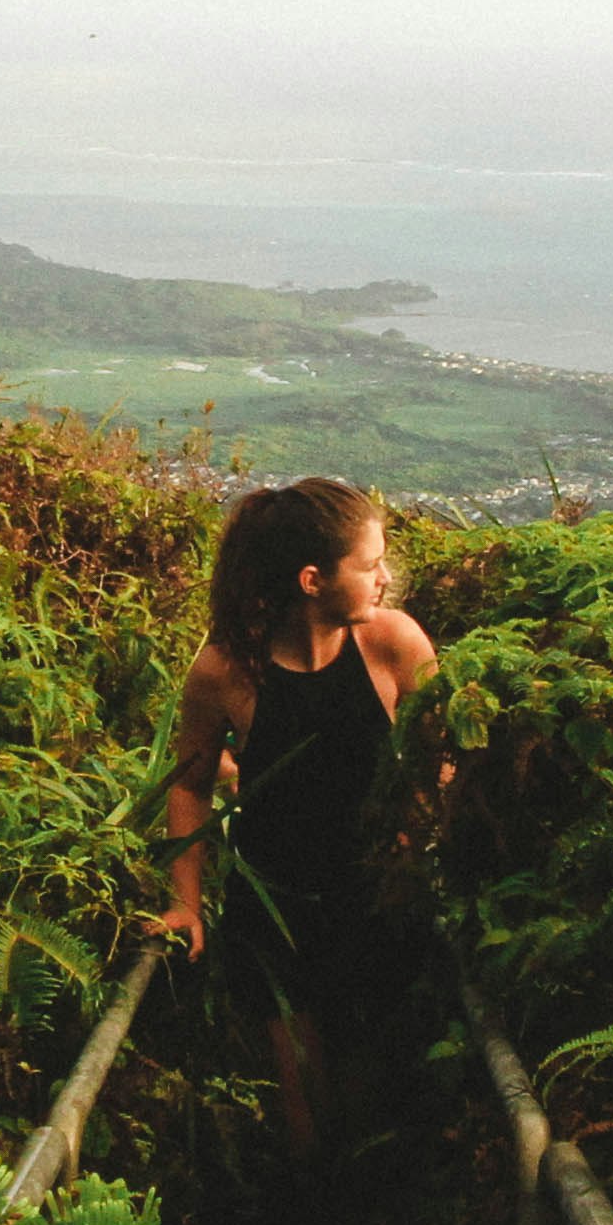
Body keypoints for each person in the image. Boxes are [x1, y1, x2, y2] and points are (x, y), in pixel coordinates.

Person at [154, 476, 437, 1155]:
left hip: (380, 902)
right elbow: (188, 785)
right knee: (305, 1103)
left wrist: (423, 826)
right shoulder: (226, 672)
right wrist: (184, 904)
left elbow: (447, 753)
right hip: (278, 911)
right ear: (313, 579)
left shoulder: (393, 644)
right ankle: (313, 1219)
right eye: (368, 566)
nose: (384, 578)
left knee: (375, 1089)